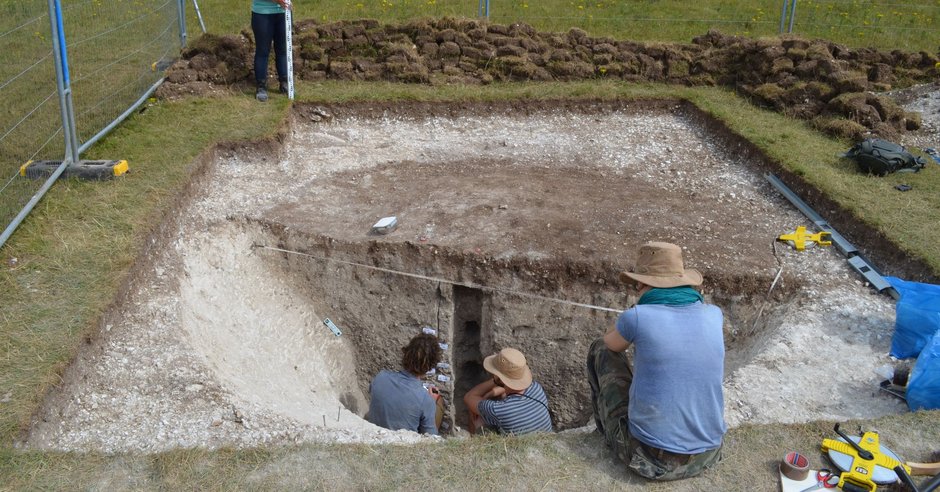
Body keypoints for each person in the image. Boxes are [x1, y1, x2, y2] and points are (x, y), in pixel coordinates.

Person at [586, 241, 726, 481]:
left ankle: (607, 433)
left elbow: (610, 344)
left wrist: (632, 313)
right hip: (709, 454)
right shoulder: (714, 314)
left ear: (641, 283)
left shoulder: (637, 317)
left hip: (652, 460)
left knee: (599, 349)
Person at [366, 334, 444, 435]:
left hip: (374, 437)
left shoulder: (381, 377)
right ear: (430, 367)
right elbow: (431, 437)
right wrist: (431, 404)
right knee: (438, 402)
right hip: (402, 447)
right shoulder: (425, 399)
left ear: (406, 353)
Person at [463, 347, 553, 435]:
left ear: (500, 378)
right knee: (502, 396)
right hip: (542, 444)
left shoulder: (498, 409)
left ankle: (472, 443)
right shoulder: (536, 388)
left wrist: (495, 381)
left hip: (516, 449)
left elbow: (469, 397)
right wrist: (494, 391)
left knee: (475, 413)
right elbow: (515, 388)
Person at [250, 0, 291, 102]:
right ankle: (261, 87)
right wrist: (278, 1)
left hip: (283, 13)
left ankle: (285, 83)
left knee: (283, 50)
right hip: (262, 13)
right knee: (262, 51)